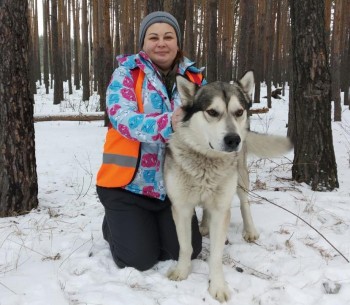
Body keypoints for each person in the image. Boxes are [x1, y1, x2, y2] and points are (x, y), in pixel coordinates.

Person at [96, 11, 206, 271]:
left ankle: (150, 224)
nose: (161, 43)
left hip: (172, 189)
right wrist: (170, 123)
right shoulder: (127, 73)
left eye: (168, 37)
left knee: (184, 252)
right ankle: (112, 225)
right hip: (126, 187)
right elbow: (122, 118)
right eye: (153, 37)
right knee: (138, 259)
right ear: (143, 44)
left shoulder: (195, 79)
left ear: (177, 43)